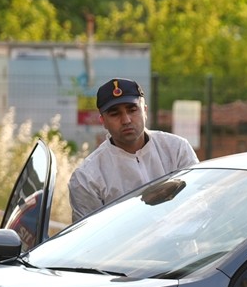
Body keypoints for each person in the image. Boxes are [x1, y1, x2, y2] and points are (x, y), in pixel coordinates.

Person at [68, 78, 199, 222]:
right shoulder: (87, 177)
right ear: (103, 121)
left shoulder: (177, 149)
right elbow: (89, 237)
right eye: (114, 114)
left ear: (145, 110)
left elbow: (198, 203)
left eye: (132, 110)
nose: (126, 120)